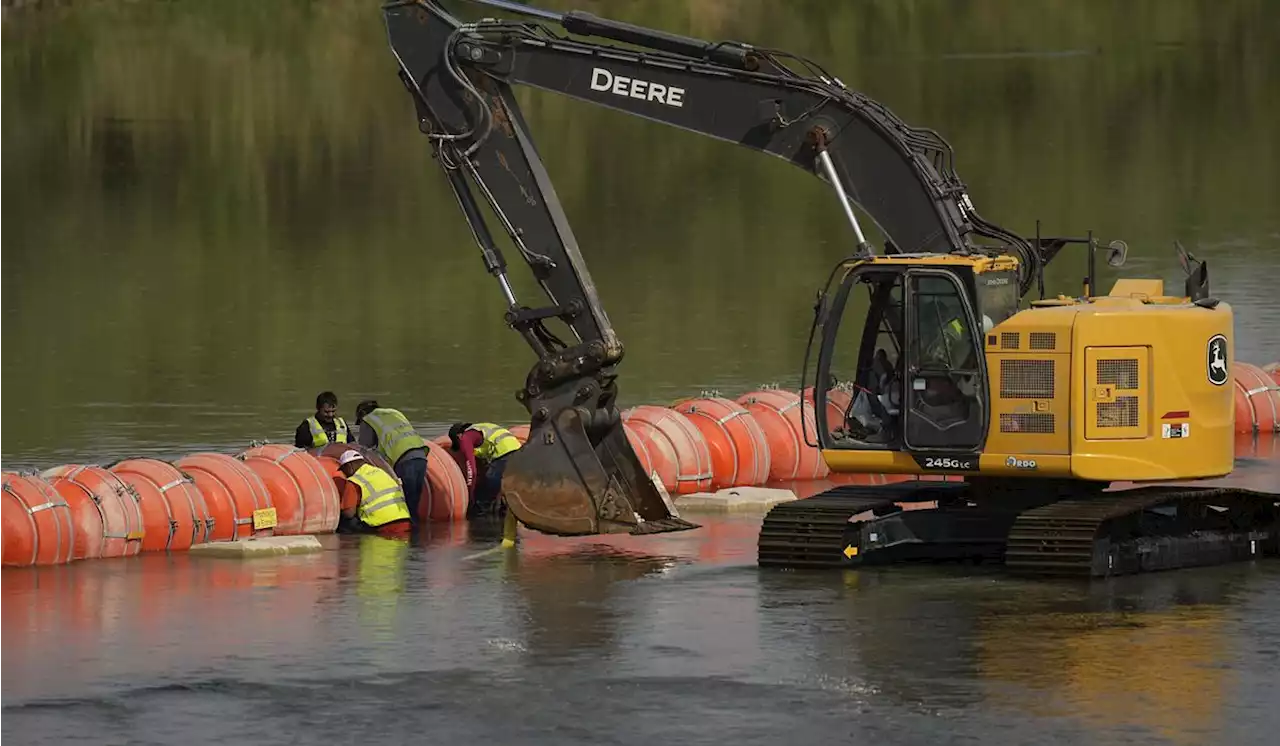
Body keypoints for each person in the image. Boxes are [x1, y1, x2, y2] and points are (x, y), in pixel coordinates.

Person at [354, 400, 428, 525]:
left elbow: (363, 447)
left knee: (405, 504)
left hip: (404, 460)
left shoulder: (368, 419)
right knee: (414, 503)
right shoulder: (394, 412)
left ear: (362, 414)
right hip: (421, 456)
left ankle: (410, 540)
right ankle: (417, 537)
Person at [447, 421, 521, 519]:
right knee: (504, 489)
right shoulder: (480, 429)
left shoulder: (465, 438)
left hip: (505, 453)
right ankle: (502, 516)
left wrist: (470, 495)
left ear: (458, 436)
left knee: (485, 489)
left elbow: (472, 471)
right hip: (519, 450)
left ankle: (480, 519)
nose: (461, 447)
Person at [336, 450, 411, 536]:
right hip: (405, 522)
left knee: (345, 523)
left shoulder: (355, 481)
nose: (345, 474)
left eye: (344, 470)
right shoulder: (381, 472)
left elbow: (349, 513)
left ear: (349, 466)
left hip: (383, 526)